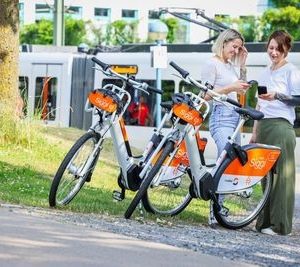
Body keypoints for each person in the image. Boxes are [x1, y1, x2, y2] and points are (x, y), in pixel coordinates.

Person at [250, 30, 300, 236]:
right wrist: (254, 131)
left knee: (281, 177)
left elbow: (298, 99)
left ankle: (281, 227)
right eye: (271, 48)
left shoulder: (291, 70)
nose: (274, 52)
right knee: (266, 176)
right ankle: (265, 223)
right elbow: (258, 103)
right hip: (263, 126)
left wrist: (278, 96)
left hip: (281, 127)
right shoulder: (264, 72)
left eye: (279, 49)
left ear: (286, 49)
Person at [201, 29, 250, 226]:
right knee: (224, 163)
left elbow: (241, 92)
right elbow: (203, 95)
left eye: (239, 48)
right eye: (234, 47)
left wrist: (243, 66)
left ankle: (220, 209)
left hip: (235, 118)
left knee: (232, 166)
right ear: (223, 43)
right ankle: (214, 211)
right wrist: (230, 88)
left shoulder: (230, 66)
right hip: (220, 118)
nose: (236, 50)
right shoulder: (211, 63)